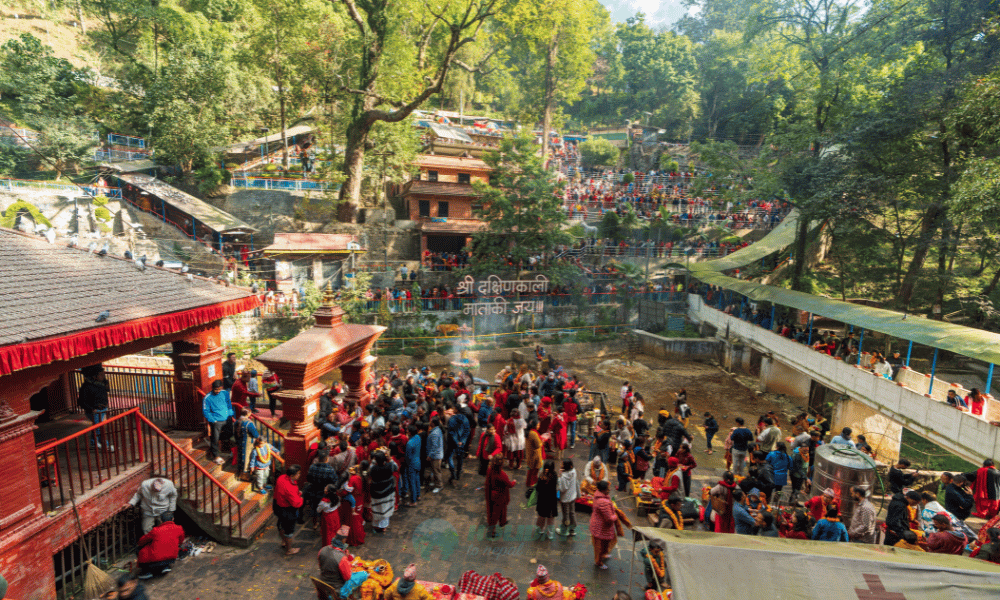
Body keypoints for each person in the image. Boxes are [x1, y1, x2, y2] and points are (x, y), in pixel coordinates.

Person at [135, 512, 184, 579]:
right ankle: (165, 566)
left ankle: (146, 571)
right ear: (173, 519)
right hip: (172, 556)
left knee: (139, 550)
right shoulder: (179, 528)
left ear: (161, 521)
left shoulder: (156, 530)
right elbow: (181, 541)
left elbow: (142, 541)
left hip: (156, 558)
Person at [78, 365, 112, 451]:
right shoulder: (86, 387)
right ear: (94, 376)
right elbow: (81, 401)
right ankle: (105, 445)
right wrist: (91, 409)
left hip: (102, 408)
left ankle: (94, 443)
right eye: (101, 375)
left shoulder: (101, 384)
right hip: (94, 410)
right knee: (99, 428)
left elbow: (106, 391)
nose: (103, 376)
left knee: (97, 426)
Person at [485, 454, 516, 538]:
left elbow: (487, 482)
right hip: (500, 497)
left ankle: (502, 521)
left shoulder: (489, 470)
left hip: (491, 494)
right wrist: (514, 482)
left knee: (494, 511)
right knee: (495, 514)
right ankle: (491, 531)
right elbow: (509, 484)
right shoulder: (502, 475)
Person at [275, 464, 304, 556]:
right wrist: (301, 498)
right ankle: (289, 549)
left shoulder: (282, 478)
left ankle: (284, 541)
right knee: (289, 530)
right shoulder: (289, 487)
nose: (299, 475)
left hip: (278, 506)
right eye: (298, 473)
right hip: (287, 510)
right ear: (292, 475)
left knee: (281, 525)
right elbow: (296, 503)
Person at [589, 480, 618, 569]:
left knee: (605, 543)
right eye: (608, 489)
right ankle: (599, 562)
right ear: (603, 490)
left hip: (601, 525)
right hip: (601, 527)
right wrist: (615, 516)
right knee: (600, 545)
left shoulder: (600, 496)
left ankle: (604, 554)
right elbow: (609, 518)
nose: (609, 490)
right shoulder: (603, 502)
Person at [203, 380, 233, 465]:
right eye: (216, 389)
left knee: (229, 434)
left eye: (219, 389)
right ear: (212, 388)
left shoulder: (225, 393)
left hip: (227, 418)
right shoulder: (207, 397)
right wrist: (213, 420)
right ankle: (215, 455)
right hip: (216, 421)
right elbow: (206, 411)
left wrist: (230, 414)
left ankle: (224, 448)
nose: (218, 391)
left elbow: (229, 404)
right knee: (215, 439)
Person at [369, 451, 398, 533]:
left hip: (376, 493)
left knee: (377, 509)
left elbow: (369, 470)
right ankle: (383, 526)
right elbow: (396, 467)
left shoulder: (373, 469)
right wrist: (390, 459)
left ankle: (376, 526)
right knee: (386, 509)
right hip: (387, 492)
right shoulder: (389, 466)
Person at [535, 460, 560, 540]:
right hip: (551, 501)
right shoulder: (555, 476)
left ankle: (540, 530)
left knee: (541, 516)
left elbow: (538, 488)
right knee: (551, 518)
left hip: (542, 500)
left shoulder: (541, 476)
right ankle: (550, 534)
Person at [446, 406, 470, 484]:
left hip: (452, 442)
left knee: (450, 457)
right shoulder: (465, 419)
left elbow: (451, 432)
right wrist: (462, 441)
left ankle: (453, 473)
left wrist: (456, 441)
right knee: (460, 459)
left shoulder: (452, 419)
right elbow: (467, 431)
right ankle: (458, 474)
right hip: (461, 443)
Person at [234, 409, 260, 477]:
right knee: (247, 456)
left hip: (239, 440)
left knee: (240, 455)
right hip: (248, 442)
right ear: (248, 413)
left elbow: (235, 433)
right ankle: (245, 473)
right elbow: (256, 435)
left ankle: (239, 471)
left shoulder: (237, 421)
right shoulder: (249, 423)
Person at [557, 458, 579, 536]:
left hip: (565, 499)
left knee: (566, 514)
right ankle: (572, 529)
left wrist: (559, 477)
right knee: (572, 513)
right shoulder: (574, 471)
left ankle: (564, 530)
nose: (560, 465)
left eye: (562, 464)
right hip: (572, 496)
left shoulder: (563, 477)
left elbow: (562, 488)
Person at [427, 417, 444, 493]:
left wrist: (429, 455)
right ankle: (436, 482)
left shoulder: (434, 433)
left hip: (436, 455)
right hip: (437, 454)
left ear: (433, 423)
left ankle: (439, 485)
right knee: (435, 470)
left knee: (436, 471)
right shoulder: (437, 430)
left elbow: (434, 446)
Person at [525, 421, 544, 487]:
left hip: (530, 454)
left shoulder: (528, 432)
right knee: (534, 471)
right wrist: (542, 441)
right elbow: (538, 445)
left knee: (530, 470)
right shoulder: (534, 433)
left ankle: (529, 483)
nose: (539, 426)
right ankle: (532, 483)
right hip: (535, 455)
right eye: (538, 425)